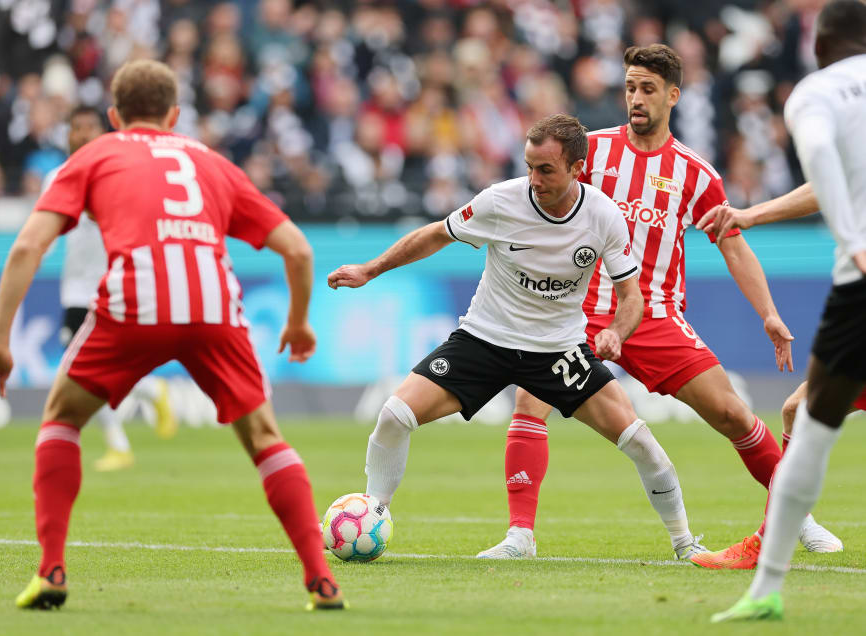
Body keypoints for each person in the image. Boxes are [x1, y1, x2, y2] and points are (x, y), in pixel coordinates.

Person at [0, 60, 346, 612]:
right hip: (215, 308)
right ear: (175, 115)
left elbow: (28, 246)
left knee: (60, 417)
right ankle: (321, 580)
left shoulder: (96, 153)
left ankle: (51, 569)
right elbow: (298, 249)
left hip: (135, 304)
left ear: (113, 116)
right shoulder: (212, 163)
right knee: (266, 438)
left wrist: (0, 338)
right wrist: (297, 321)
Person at [478, 44, 841, 563]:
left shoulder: (695, 173)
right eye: (630, 87)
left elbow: (732, 243)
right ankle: (519, 536)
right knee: (529, 398)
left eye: (647, 88)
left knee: (733, 413)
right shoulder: (593, 154)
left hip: (654, 315)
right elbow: (541, 206)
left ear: (673, 95)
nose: (636, 98)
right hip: (576, 310)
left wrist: (769, 313)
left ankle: (796, 515)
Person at [328, 113, 707, 561]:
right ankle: (376, 514)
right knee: (394, 416)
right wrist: (371, 269)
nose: (534, 178)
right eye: (529, 166)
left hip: (557, 350)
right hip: (484, 340)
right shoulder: (500, 202)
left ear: (576, 169)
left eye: (545, 169)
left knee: (641, 442)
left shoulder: (604, 217)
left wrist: (617, 333)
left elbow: (632, 297)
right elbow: (436, 235)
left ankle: (685, 545)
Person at [703, 0, 866, 619]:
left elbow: (821, 161)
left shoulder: (815, 93)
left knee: (809, 421)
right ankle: (768, 577)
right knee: (798, 409)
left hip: (860, 284)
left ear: (818, 47)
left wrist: (852, 240)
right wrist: (751, 213)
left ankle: (768, 587)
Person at [50, 105, 177, 472]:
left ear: (102, 131)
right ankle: (140, 409)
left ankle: (132, 423)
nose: (84, 134)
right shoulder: (56, 177)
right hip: (74, 288)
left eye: (91, 127)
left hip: (111, 283)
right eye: (77, 128)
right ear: (69, 134)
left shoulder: (116, 173)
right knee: (88, 369)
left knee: (84, 369)